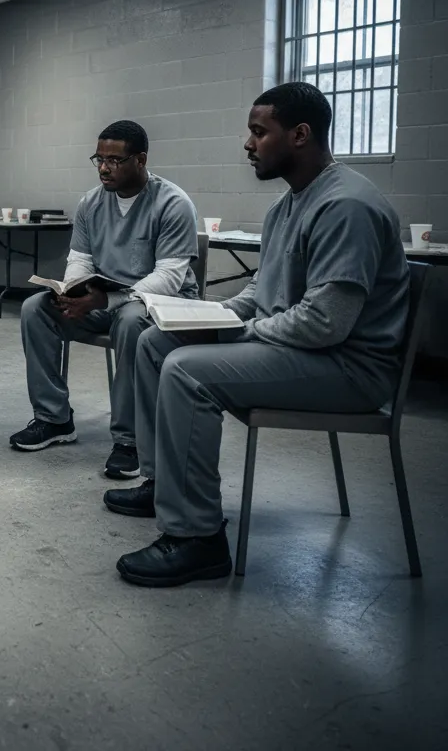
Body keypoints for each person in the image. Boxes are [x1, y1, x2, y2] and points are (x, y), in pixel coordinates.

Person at [108, 82, 410, 587]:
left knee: (187, 372)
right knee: (156, 340)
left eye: (258, 132)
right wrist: (206, 315)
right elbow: (258, 292)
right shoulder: (287, 206)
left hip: (349, 368)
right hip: (302, 350)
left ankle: (197, 538)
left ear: (299, 134)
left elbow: (324, 323)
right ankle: (164, 483)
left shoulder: (346, 206)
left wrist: (239, 332)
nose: (248, 144)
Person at [9, 121, 200, 479]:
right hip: (105, 301)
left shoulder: (173, 203)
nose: (104, 167)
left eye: (115, 159)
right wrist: (73, 291)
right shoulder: (91, 203)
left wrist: (106, 300)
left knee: (131, 321)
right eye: (99, 158)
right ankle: (55, 419)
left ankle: (129, 440)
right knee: (37, 308)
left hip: (159, 307)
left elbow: (170, 278)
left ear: (141, 159)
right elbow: (79, 259)